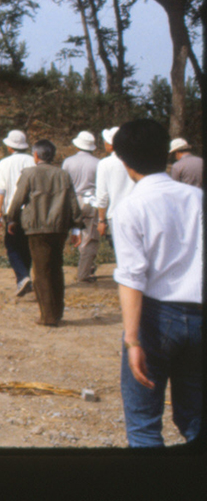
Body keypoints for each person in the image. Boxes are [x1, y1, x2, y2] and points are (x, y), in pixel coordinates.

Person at [110, 118, 202, 447]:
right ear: (166, 152)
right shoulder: (197, 199)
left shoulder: (130, 208)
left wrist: (133, 340)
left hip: (156, 318)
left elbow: (132, 276)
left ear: (122, 161)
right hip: (200, 317)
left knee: (144, 424)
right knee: (195, 419)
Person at [4, 139, 80, 326]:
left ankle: (47, 316)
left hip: (37, 228)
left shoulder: (29, 174)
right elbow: (73, 203)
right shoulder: (63, 175)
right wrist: (76, 227)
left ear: (35, 155)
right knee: (56, 269)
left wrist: (11, 219)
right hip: (59, 228)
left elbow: (18, 199)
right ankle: (57, 312)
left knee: (41, 272)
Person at [0, 129, 36, 297]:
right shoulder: (33, 161)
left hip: (12, 211)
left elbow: (1, 189)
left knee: (12, 246)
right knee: (26, 246)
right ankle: (24, 277)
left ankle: (23, 277)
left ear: (10, 147)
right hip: (32, 211)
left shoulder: (4, 163)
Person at [62, 130, 100, 283]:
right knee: (90, 236)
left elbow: (64, 184)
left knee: (78, 233)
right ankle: (84, 272)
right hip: (90, 199)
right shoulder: (98, 163)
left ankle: (86, 265)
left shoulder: (68, 162)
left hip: (73, 200)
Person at [93, 127, 134, 245]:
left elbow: (102, 195)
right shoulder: (137, 160)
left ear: (111, 146)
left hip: (116, 214)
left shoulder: (104, 164)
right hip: (136, 213)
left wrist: (101, 220)